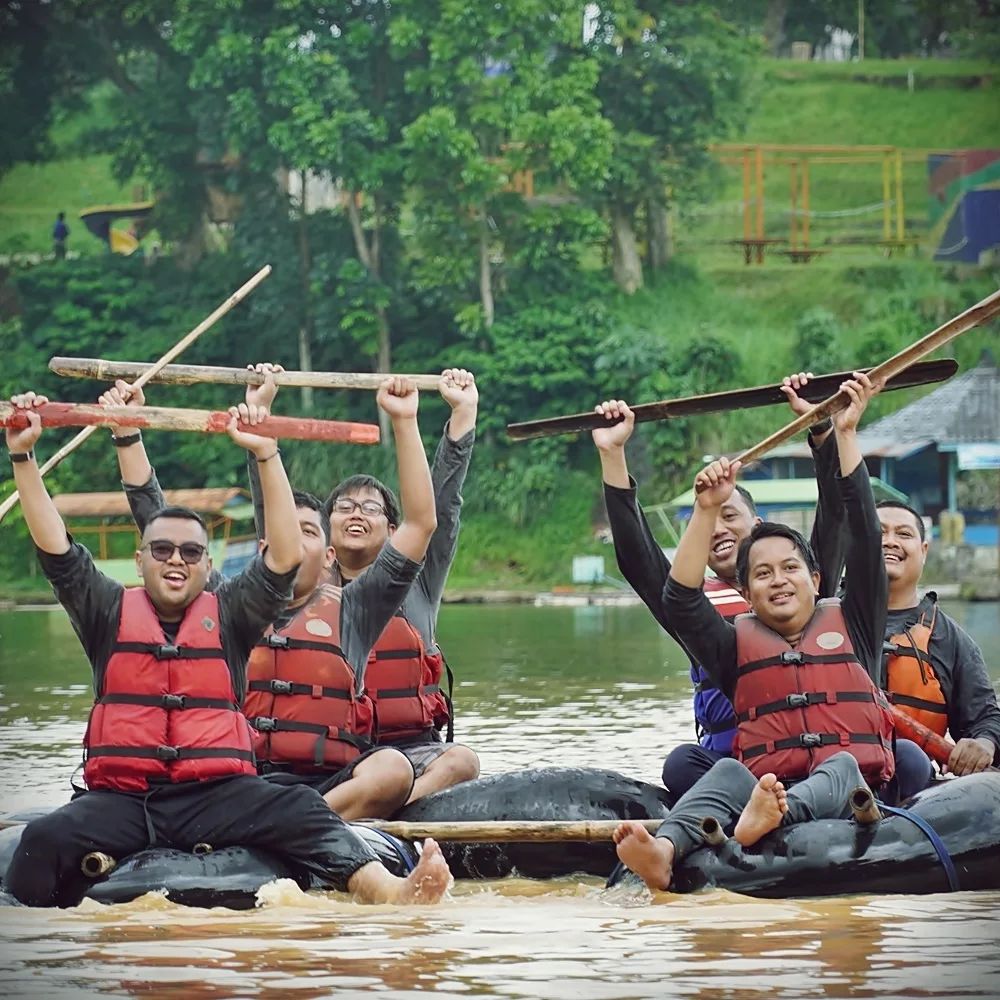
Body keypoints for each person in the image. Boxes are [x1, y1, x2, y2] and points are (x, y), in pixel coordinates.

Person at [3, 391, 452, 908]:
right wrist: (23, 456)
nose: (176, 560)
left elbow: (283, 555)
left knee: (303, 814)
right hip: (123, 800)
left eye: (191, 552)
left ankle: (392, 893)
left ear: (206, 562)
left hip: (215, 798)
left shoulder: (233, 614)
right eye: (162, 551)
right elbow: (57, 550)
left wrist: (266, 452)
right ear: (140, 559)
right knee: (40, 841)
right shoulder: (104, 610)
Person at [98, 373, 439, 820]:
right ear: (266, 549)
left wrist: (405, 420)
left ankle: (294, 822)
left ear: (330, 552)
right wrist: (127, 434)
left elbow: (419, 525)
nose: (295, 543)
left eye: (309, 532)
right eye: (285, 533)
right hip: (244, 779)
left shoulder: (357, 610)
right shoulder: (230, 605)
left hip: (327, 783)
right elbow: (154, 517)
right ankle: (280, 822)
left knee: (392, 769)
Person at [613, 372, 897, 892]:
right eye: (762, 575)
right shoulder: (731, 643)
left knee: (841, 765)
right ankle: (665, 849)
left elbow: (858, 533)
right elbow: (679, 596)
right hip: (758, 773)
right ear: (747, 589)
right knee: (711, 771)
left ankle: (770, 816)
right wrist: (702, 507)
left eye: (789, 570)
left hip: (841, 782)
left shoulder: (853, 617)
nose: (777, 580)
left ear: (816, 577)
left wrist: (839, 434)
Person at [593, 398, 843, 803]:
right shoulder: (692, 610)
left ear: (758, 528)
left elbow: (835, 521)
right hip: (736, 766)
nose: (718, 529)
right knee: (680, 764)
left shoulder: (803, 587)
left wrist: (823, 430)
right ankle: (750, 807)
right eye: (708, 520)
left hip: (813, 755)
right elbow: (639, 559)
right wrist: (613, 453)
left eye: (731, 516)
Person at [262, 366, 481, 805]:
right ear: (324, 531)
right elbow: (270, 520)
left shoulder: (416, 581)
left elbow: (441, 506)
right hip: (343, 754)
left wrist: (462, 418)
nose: (356, 513)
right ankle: (351, 805)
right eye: (343, 507)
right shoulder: (302, 588)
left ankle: (393, 804)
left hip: (413, 751)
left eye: (370, 508)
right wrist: (261, 421)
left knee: (462, 762)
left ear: (394, 528)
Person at [784, 372, 1000, 784]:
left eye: (903, 534)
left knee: (911, 758)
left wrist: (985, 744)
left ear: (924, 550)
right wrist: (823, 427)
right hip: (821, 774)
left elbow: (986, 717)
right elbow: (836, 510)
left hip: (908, 783)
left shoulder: (948, 638)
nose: (889, 542)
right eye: (878, 532)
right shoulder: (822, 602)